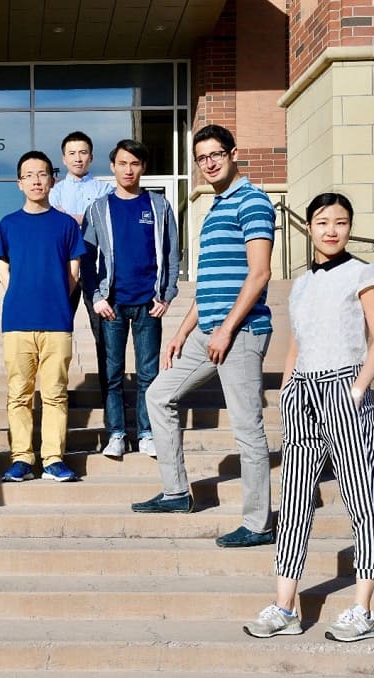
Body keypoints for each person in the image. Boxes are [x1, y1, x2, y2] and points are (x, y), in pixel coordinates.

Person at [243, 193, 374, 643]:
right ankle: (285, 607)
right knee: (293, 504)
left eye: (340, 222)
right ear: (308, 227)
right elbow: (297, 343)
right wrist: (288, 390)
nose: (331, 229)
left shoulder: (363, 273)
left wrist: (358, 390)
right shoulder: (303, 283)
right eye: (322, 221)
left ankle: (363, 609)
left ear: (349, 227)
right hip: (303, 393)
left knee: (360, 500)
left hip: (345, 389)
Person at [131, 124, 276, 549]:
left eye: (216, 154)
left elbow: (260, 272)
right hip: (208, 330)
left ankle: (258, 523)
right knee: (158, 396)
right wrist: (181, 331)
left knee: (248, 428)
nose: (209, 162)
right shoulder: (213, 209)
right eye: (201, 158)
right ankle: (177, 493)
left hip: (242, 331)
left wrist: (228, 329)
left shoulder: (252, 201)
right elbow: (211, 283)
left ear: (233, 154)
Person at [81, 139, 180, 460]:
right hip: (112, 304)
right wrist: (96, 296)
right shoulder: (98, 209)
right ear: (112, 167)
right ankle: (117, 434)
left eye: (134, 164)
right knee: (112, 373)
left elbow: (171, 255)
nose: (128, 169)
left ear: (143, 168)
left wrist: (166, 295)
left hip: (148, 304)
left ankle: (147, 433)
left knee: (149, 374)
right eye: (122, 163)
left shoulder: (159, 207)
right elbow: (86, 258)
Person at [0, 151, 84, 483]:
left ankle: (53, 459)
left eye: (42, 174)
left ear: (52, 179)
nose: (36, 180)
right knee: (19, 393)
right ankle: (21, 457)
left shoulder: (65, 225)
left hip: (57, 322)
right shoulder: (8, 224)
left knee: (55, 393)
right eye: (28, 175)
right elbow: (4, 268)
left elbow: (73, 273)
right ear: (20, 183)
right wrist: (18, 292)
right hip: (17, 322)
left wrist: (56, 297)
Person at [50, 131, 114, 398]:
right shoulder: (54, 192)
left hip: (97, 270)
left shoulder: (104, 189)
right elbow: (55, 227)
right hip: (63, 269)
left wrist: (72, 218)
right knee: (58, 332)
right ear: (64, 158)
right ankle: (57, 392)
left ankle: (108, 393)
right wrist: (85, 218)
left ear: (91, 156)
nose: (78, 158)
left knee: (104, 334)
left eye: (83, 152)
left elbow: (105, 225)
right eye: (72, 153)